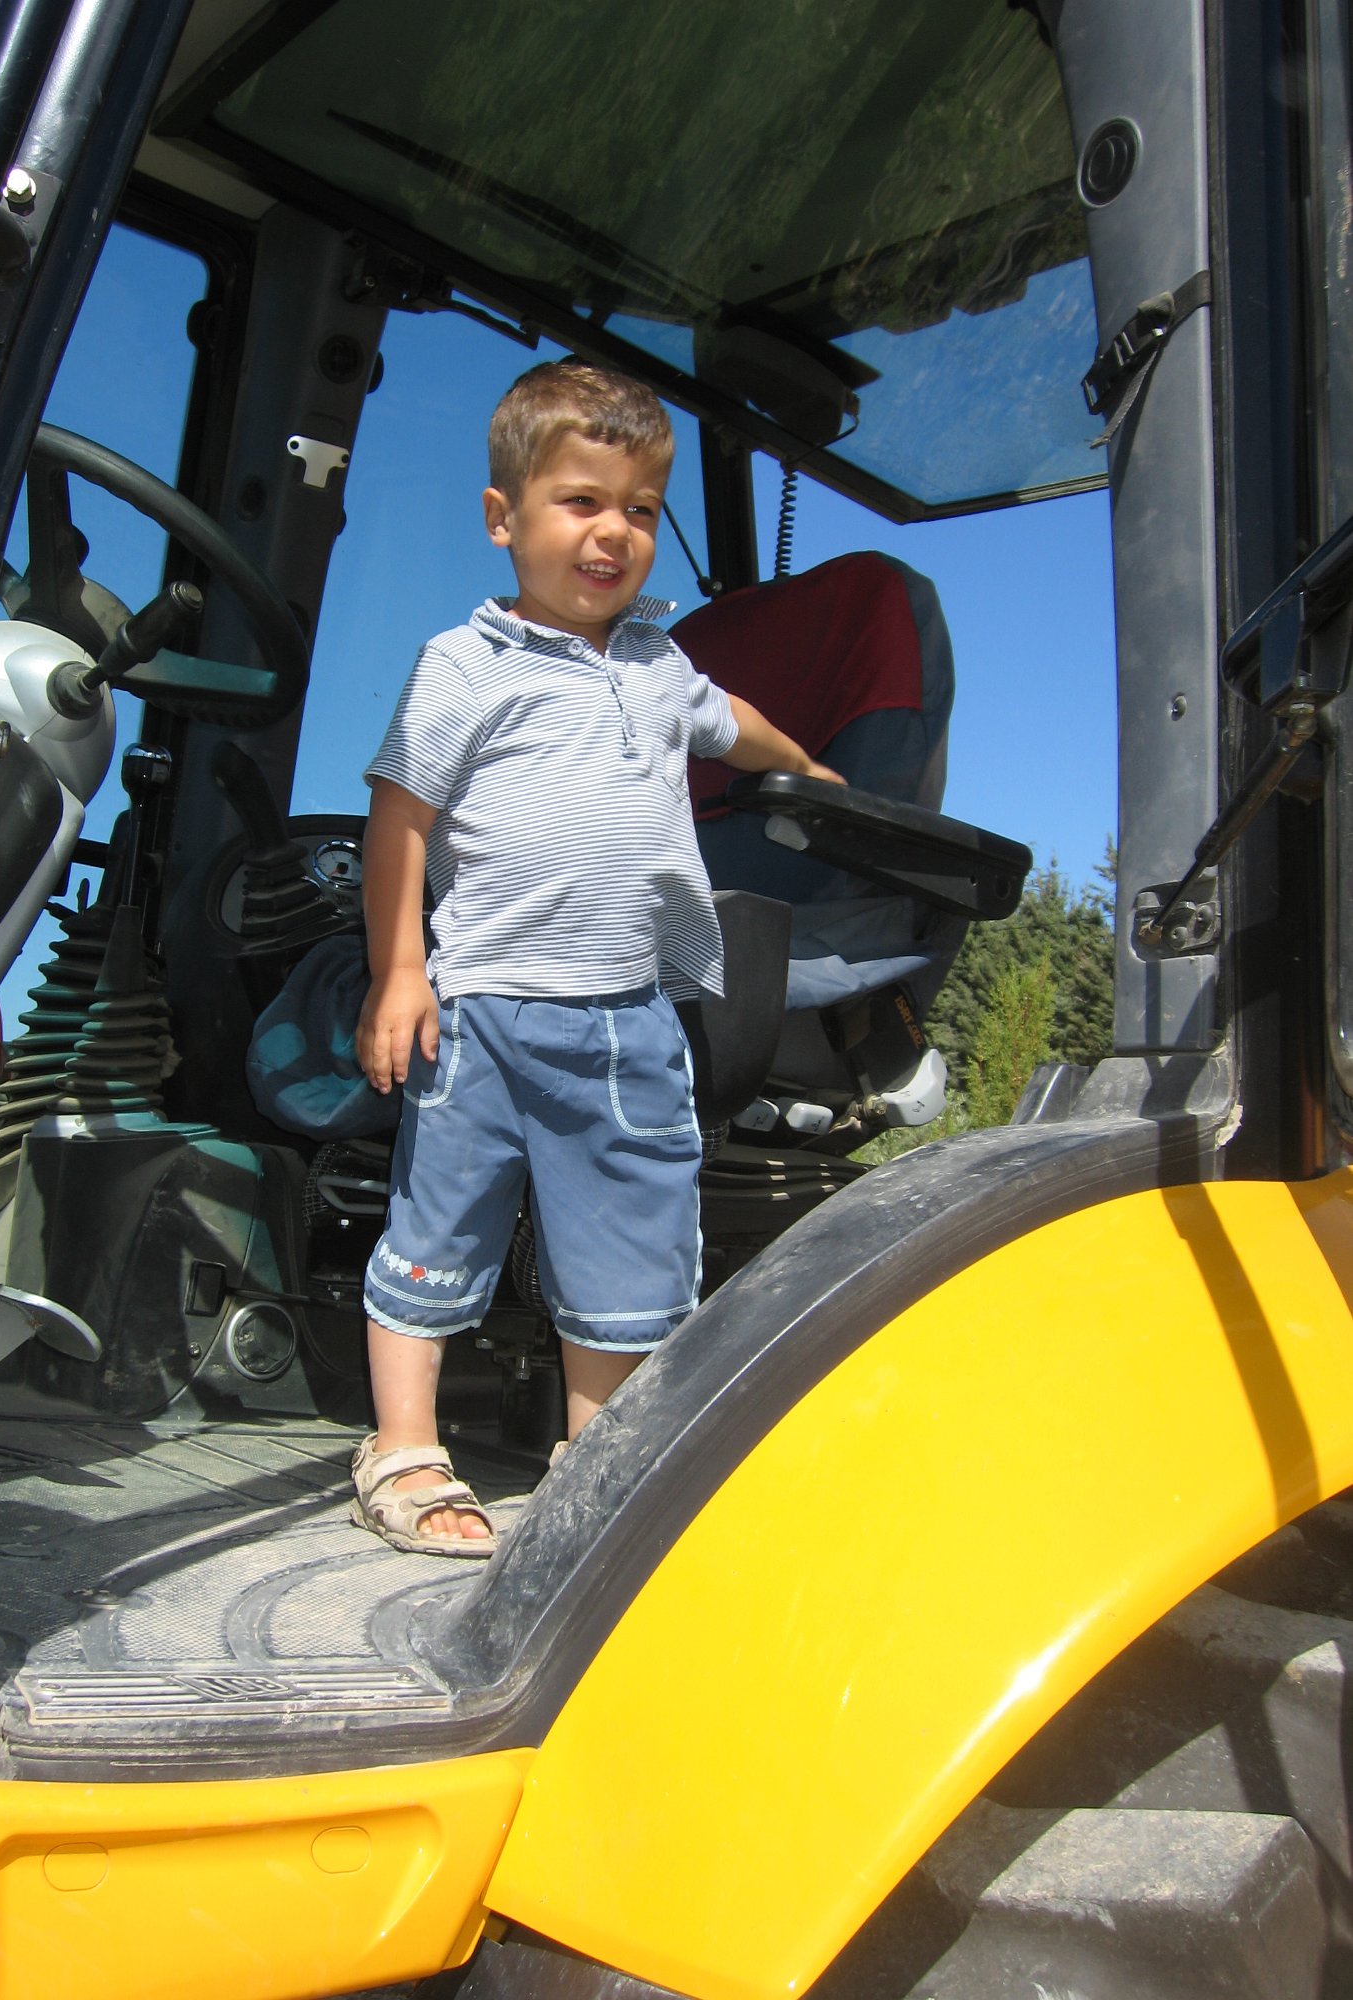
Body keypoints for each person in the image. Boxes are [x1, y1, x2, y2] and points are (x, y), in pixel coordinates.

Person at [351, 359, 843, 1556]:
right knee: (439, 1223)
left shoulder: (659, 664)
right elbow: (399, 817)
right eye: (580, 500)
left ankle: (598, 1455)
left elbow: (734, 722)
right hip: (481, 1008)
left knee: (628, 1236)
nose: (613, 530)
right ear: (503, 516)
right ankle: (402, 1444)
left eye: (639, 507)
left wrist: (805, 765)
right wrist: (400, 970)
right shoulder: (465, 663)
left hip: (628, 1017)